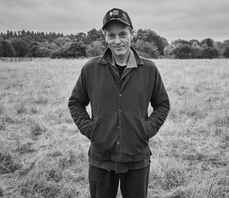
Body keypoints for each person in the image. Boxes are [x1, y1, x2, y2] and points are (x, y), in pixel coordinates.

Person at [68, 8, 170, 198]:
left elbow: (162, 104)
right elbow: (75, 102)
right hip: (101, 158)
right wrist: (92, 130)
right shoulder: (91, 68)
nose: (117, 41)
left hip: (137, 156)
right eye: (111, 35)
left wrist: (146, 130)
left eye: (122, 34)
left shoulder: (149, 69)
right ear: (105, 38)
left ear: (132, 34)